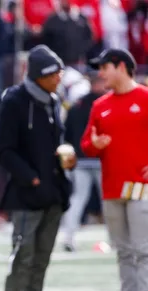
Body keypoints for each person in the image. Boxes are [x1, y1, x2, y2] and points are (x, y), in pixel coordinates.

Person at [0, 44, 76, 291]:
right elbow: (3, 150)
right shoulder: (15, 100)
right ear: (39, 74)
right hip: (26, 193)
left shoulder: (54, 99)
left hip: (54, 190)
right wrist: (31, 177)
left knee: (42, 255)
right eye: (54, 73)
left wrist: (66, 158)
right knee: (23, 253)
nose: (59, 78)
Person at [81, 48, 148, 291]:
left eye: (104, 67)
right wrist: (94, 146)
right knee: (122, 250)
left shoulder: (145, 98)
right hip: (111, 187)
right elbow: (86, 144)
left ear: (121, 66)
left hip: (140, 186)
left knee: (143, 249)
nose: (101, 73)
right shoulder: (100, 105)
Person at [62, 74, 105, 252]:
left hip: (80, 160)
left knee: (78, 199)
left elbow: (67, 138)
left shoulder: (75, 106)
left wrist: (69, 163)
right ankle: (118, 240)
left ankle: (69, 237)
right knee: (109, 201)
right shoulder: (104, 104)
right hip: (102, 160)